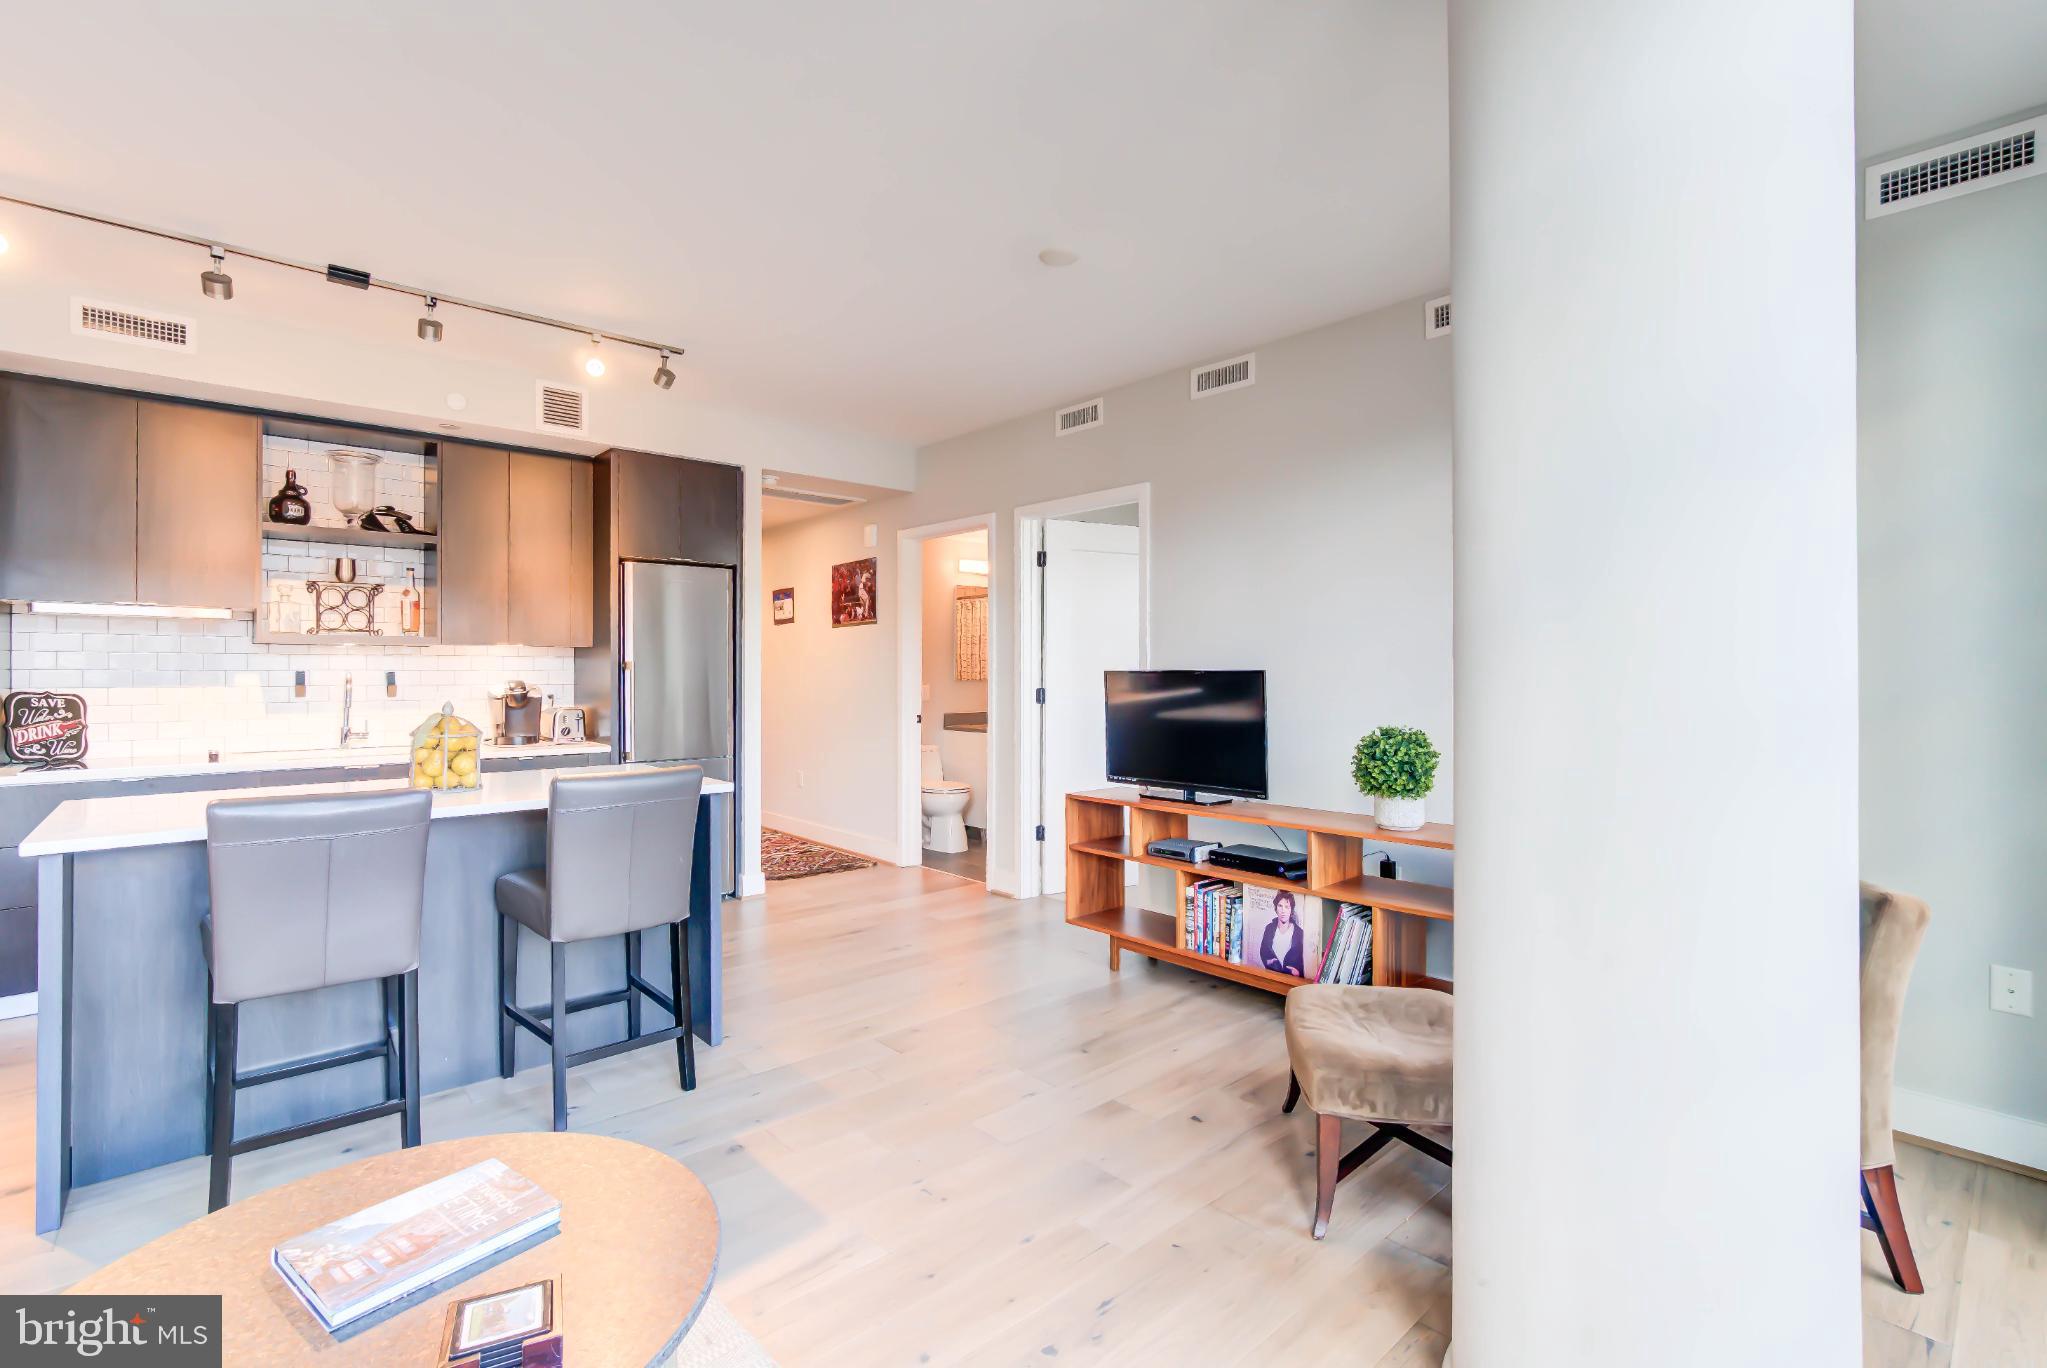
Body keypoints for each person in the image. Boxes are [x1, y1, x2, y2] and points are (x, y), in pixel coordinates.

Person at [1259, 890, 1305, 977]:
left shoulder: (1299, 933)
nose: (1283, 911)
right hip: (1272, 975)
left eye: (1287, 907)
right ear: (1276, 908)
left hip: (1291, 978)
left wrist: (1298, 972)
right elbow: (1263, 951)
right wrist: (1268, 961)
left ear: (1291, 910)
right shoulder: (1269, 928)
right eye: (1280, 906)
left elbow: (1304, 959)